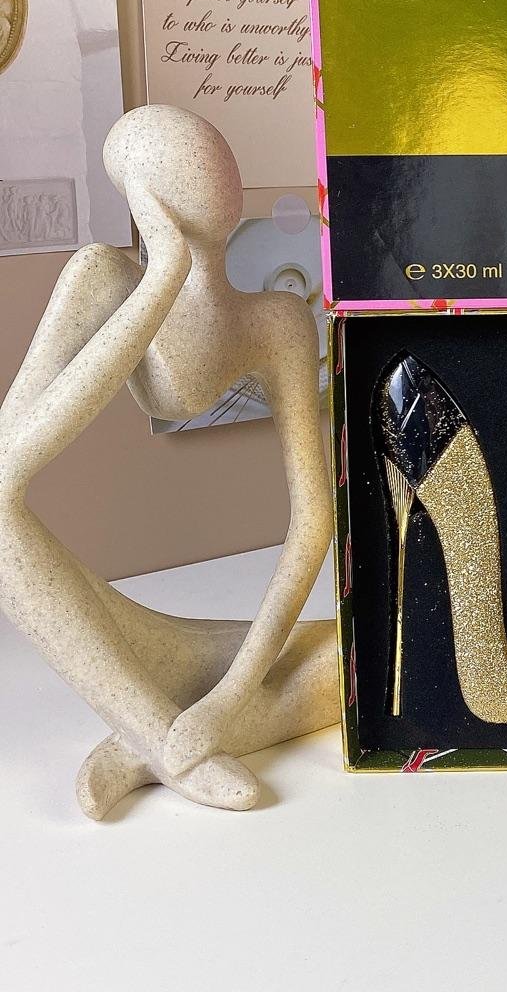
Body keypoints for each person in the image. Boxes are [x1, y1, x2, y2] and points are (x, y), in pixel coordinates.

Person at [0, 105, 336, 818]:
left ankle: (142, 738)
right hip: (104, 617)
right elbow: (7, 465)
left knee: (364, 659)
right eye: (187, 162)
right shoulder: (103, 278)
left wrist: (228, 698)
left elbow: (312, 525)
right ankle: (160, 737)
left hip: (174, 651)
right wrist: (160, 281)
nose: (216, 175)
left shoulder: (276, 321)